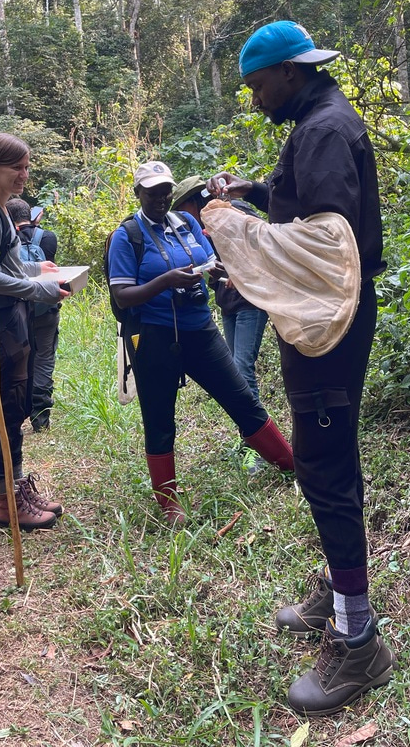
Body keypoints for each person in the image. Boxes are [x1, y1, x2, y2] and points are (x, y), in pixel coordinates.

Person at [207, 20, 394, 715]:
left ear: (290, 71)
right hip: (326, 318)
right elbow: (303, 209)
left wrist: (231, 227)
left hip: (330, 326)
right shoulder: (318, 118)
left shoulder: (321, 131)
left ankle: (359, 642)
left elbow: (322, 247)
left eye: (258, 85)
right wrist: (256, 193)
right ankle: (340, 588)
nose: (254, 99)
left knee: (324, 465)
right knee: (328, 457)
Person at [106, 160, 294, 524]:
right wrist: (165, 282)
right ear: (138, 194)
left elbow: (206, 262)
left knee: (240, 397)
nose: (160, 198)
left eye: (165, 191)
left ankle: (289, 463)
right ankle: (168, 501)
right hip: (155, 337)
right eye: (152, 192)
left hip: (200, 330)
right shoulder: (127, 236)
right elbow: (123, 295)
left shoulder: (186, 223)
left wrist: (220, 274)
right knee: (159, 418)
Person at [0, 134, 69, 532]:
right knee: (3, 410)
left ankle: (18, 487)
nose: (24, 175)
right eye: (17, 168)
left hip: (11, 322)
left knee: (15, 405)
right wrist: (37, 287)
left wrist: (35, 271)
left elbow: (4, 267)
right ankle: (7, 501)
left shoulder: (1, 208)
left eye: (27, 167)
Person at [171, 177, 272, 474]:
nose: (179, 214)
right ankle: (250, 440)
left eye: (181, 207)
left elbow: (265, 245)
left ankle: (257, 449)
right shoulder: (193, 228)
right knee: (236, 373)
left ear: (194, 201)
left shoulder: (233, 211)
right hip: (227, 302)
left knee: (242, 368)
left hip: (251, 301)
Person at [6, 199, 61, 433]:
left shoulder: (8, 241)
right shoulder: (48, 238)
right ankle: (41, 417)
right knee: (44, 358)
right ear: (32, 215)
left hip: (18, 310)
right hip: (46, 307)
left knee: (20, 361)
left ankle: (17, 413)